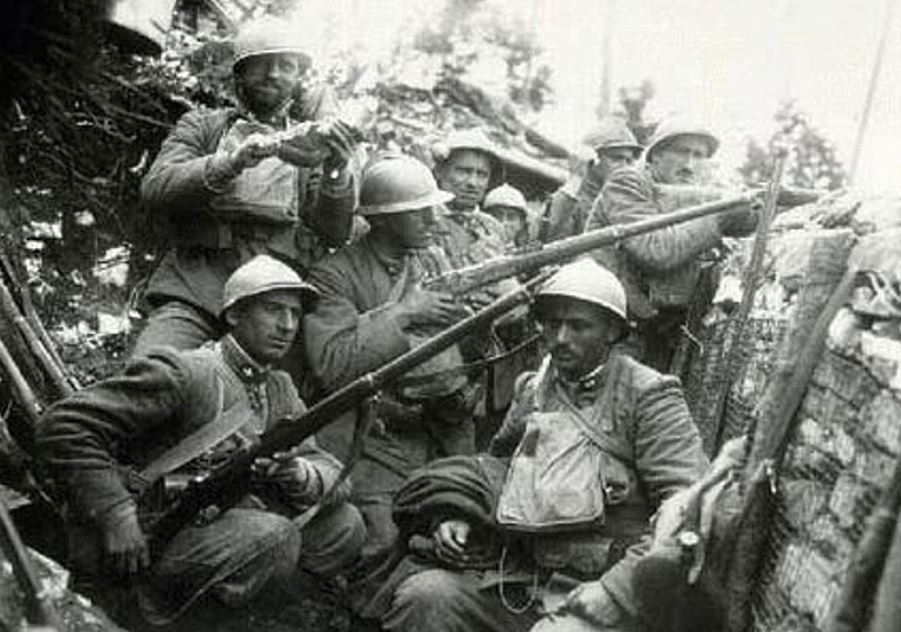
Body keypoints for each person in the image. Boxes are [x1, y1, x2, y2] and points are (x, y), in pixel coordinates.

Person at [364, 258, 708, 632]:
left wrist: (615, 592)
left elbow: (689, 504)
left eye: (578, 326)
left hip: (603, 591)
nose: (560, 338)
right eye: (552, 324)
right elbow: (500, 471)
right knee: (426, 598)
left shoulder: (649, 394)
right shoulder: (534, 388)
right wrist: (462, 513)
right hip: (519, 578)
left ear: (611, 332)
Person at [36, 255, 365, 626]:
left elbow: (334, 474)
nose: (287, 326)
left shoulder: (279, 387)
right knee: (274, 536)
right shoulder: (186, 372)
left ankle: (250, 617)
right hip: (150, 536)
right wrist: (116, 513)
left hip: (223, 526)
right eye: (273, 310)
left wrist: (298, 473)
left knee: (344, 526)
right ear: (235, 315)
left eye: (294, 313)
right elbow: (64, 424)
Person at [133, 15, 358, 356]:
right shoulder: (202, 126)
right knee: (153, 373)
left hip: (275, 301)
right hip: (199, 290)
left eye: (286, 66)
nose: (274, 74)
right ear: (239, 73)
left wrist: (336, 170)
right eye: (262, 64)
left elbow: (333, 234)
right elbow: (157, 188)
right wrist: (231, 162)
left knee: (290, 402)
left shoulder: (309, 146)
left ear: (298, 78)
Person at [304, 155, 479, 572]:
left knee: (456, 540)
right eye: (416, 211)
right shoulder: (334, 275)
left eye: (430, 207)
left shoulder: (430, 261)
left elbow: (458, 347)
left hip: (436, 428)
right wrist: (404, 313)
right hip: (370, 437)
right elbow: (333, 366)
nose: (430, 218)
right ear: (381, 220)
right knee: (383, 541)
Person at [585, 117, 758, 372]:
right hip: (605, 331)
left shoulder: (695, 199)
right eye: (681, 152)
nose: (690, 165)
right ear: (654, 157)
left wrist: (750, 212)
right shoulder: (626, 182)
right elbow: (655, 250)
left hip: (656, 333)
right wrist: (720, 217)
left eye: (699, 156)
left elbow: (743, 227)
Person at [542, 118, 642, 242]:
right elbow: (544, 239)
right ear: (592, 160)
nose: (625, 167)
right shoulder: (571, 201)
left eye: (629, 161)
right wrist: (576, 179)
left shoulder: (630, 203)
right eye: (617, 158)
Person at [431, 127, 508, 270]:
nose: (472, 183)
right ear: (440, 172)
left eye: (482, 175)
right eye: (463, 171)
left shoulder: (494, 228)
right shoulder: (421, 219)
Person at [483, 183, 531, 249]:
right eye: (497, 216)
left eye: (511, 217)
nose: (504, 222)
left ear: (521, 223)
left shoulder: (527, 254)